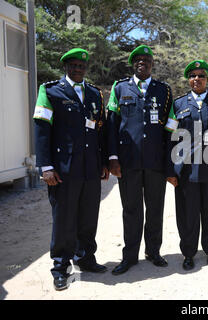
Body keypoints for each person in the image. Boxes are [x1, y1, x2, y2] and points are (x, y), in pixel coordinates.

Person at [33, 48, 109, 291]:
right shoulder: (50, 90)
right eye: (73, 65)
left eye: (82, 66)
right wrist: (45, 166)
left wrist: (104, 162)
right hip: (63, 170)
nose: (78, 69)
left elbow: (100, 131)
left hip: (90, 168)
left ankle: (85, 258)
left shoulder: (95, 94)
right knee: (64, 219)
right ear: (65, 67)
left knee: (88, 217)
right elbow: (42, 130)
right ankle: (60, 267)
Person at [107, 45, 173, 275]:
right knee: (131, 209)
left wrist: (169, 161)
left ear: (152, 64)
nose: (141, 63)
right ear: (132, 64)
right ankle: (130, 255)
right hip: (129, 162)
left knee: (155, 208)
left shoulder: (164, 90)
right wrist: (113, 157)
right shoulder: (120, 87)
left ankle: (153, 252)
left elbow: (170, 128)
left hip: (155, 161)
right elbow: (111, 125)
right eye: (137, 60)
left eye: (146, 59)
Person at [165, 60, 208, 270]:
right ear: (188, 79)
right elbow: (170, 138)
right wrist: (170, 170)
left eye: (201, 75)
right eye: (193, 75)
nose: (197, 79)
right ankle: (188, 253)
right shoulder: (177, 105)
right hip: (186, 171)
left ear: (207, 79)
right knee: (188, 214)